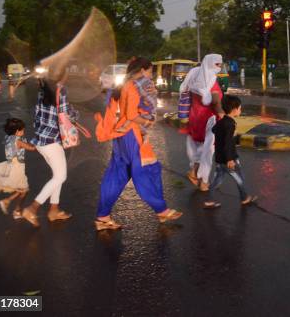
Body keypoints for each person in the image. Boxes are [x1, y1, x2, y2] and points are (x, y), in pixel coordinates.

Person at [94, 57, 182, 231]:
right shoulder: (133, 87)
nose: (150, 75)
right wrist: (147, 122)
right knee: (145, 171)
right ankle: (161, 210)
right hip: (131, 135)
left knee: (117, 174)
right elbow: (132, 115)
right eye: (150, 71)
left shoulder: (120, 86)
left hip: (120, 135)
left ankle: (102, 217)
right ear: (142, 70)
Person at [22, 67, 78, 227]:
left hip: (41, 140)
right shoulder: (62, 90)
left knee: (57, 175)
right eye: (66, 72)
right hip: (52, 142)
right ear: (61, 76)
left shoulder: (42, 91)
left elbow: (37, 116)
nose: (68, 74)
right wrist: (76, 115)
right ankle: (32, 208)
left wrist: (39, 135)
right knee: (61, 176)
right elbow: (67, 115)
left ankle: (54, 210)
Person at [180, 54, 225, 191]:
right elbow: (216, 101)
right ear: (210, 64)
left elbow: (185, 90)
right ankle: (204, 181)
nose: (220, 67)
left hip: (194, 117)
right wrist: (222, 115)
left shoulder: (195, 75)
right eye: (217, 64)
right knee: (208, 151)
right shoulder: (211, 79)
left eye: (220, 64)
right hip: (208, 119)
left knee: (199, 147)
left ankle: (194, 172)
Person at [203, 95, 257, 209]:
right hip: (229, 158)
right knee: (240, 179)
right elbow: (228, 142)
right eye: (240, 108)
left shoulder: (222, 122)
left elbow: (214, 130)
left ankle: (209, 201)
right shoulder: (230, 124)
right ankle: (245, 198)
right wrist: (230, 159)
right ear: (234, 109)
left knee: (217, 180)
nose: (241, 110)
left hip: (219, 158)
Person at [0, 118, 36, 219]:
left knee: (23, 189)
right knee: (24, 190)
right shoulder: (19, 142)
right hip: (17, 167)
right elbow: (32, 148)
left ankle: (14, 208)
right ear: (17, 131)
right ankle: (12, 206)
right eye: (22, 130)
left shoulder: (8, 138)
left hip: (10, 165)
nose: (24, 132)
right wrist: (39, 141)